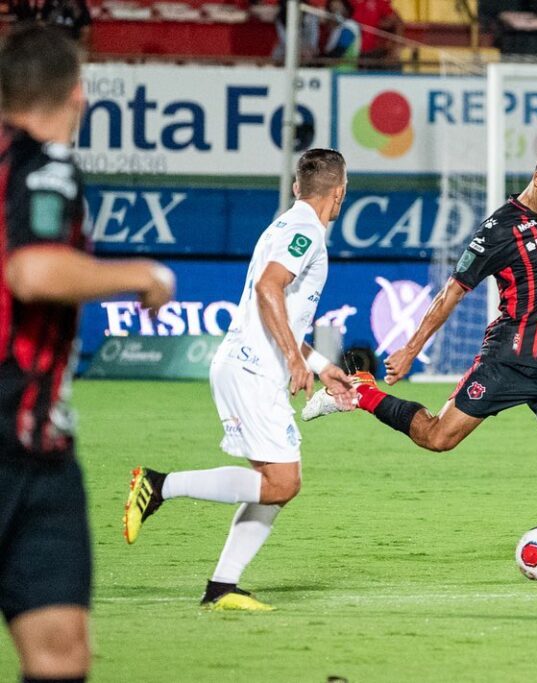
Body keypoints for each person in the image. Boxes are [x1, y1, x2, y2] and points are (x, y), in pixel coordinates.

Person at [303, 137, 537, 582]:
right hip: (508, 360)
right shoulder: (499, 230)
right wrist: (412, 347)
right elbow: (452, 291)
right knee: (438, 438)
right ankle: (362, 392)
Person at [0, 25, 176, 682]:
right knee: (58, 652)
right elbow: (36, 272)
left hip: (42, 439)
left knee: (61, 648)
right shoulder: (44, 164)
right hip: (12, 421)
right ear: (78, 94)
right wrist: (144, 275)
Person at [123, 149, 357, 611]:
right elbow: (268, 288)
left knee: (271, 482)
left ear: (296, 187)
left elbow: (276, 311)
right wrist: (293, 358)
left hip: (248, 364)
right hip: (254, 369)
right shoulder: (307, 229)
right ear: (340, 192)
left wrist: (318, 365)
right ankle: (157, 485)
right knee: (283, 483)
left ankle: (221, 587)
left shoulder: (285, 224)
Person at [322, 0, 361, 71]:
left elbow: (341, 48)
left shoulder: (350, 25)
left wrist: (322, 60)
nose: (336, 13)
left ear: (346, 9)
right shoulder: (336, 29)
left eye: (338, 9)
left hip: (344, 71)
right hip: (332, 70)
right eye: (332, 9)